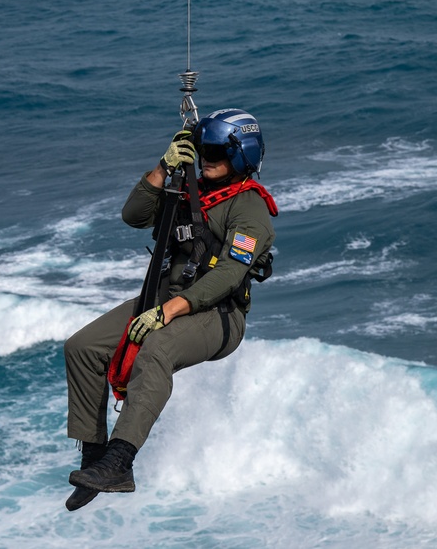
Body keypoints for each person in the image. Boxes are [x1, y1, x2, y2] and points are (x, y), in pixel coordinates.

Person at [63, 108, 278, 511]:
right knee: (83, 346)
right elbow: (134, 216)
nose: (206, 156)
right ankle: (95, 458)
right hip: (162, 299)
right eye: (201, 148)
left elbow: (230, 273)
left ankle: (120, 461)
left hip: (218, 315)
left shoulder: (250, 209)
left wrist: (169, 311)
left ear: (241, 154)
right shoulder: (187, 191)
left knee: (155, 349)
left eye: (216, 149)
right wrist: (163, 169)